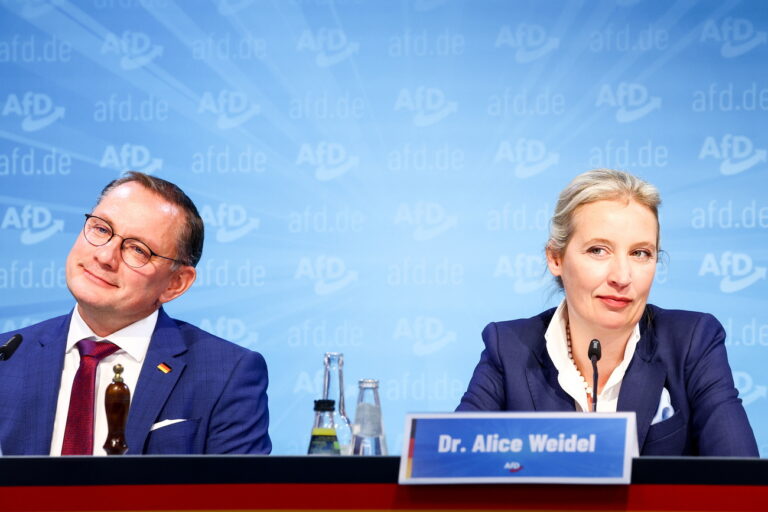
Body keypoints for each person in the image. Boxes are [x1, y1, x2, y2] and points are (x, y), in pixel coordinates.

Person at [457, 169, 758, 456]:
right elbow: (447, 466)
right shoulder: (507, 347)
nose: (622, 277)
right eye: (598, 250)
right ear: (556, 258)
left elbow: (745, 486)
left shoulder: (693, 341)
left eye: (640, 253)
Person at [0, 172, 271, 455]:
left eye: (138, 250)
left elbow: (238, 498)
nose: (105, 257)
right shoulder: (6, 357)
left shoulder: (225, 374)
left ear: (175, 283)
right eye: (102, 229)